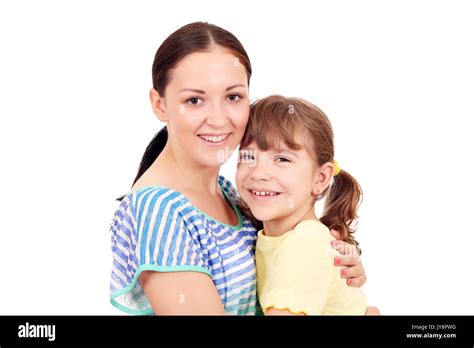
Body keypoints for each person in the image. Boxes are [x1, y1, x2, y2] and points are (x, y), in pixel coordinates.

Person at [109, 22, 367, 315]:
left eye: (233, 97)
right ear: (160, 104)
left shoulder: (232, 194)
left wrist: (335, 269)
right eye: (194, 100)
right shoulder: (157, 211)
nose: (218, 120)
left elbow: (293, 249)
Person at [236, 95, 379, 315]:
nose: (259, 173)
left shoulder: (303, 244)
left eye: (282, 159)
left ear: (320, 178)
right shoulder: (274, 235)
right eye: (248, 156)